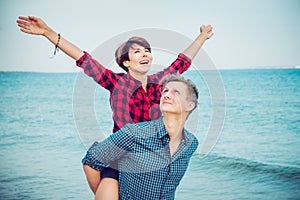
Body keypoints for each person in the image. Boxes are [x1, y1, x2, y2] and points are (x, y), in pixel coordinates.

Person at [16, 16, 213, 199]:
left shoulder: (159, 83)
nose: (145, 54)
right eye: (137, 52)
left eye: (147, 51)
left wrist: (202, 36)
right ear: (126, 62)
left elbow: (182, 62)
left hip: (149, 158)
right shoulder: (117, 83)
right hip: (119, 158)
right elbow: (85, 60)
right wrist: (48, 33)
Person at [83, 74, 199, 199]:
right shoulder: (134, 133)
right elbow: (91, 161)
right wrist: (102, 193)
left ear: (190, 105)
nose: (166, 95)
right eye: (165, 91)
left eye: (176, 92)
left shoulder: (190, 143)